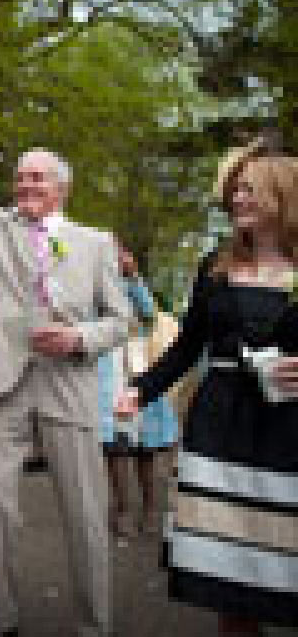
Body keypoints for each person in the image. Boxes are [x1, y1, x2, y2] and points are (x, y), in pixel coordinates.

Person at [0, 68, 132, 637]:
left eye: (37, 179)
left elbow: (124, 320)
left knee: (84, 515)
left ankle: (95, 625)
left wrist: (80, 339)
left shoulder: (97, 244)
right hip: (6, 383)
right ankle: (5, 620)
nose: (25, 186)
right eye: (21, 177)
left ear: (60, 188)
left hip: (69, 383)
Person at [121, 143, 298, 634]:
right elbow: (187, 345)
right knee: (231, 579)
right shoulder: (215, 266)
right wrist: (141, 389)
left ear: (282, 196)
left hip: (288, 433)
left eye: (249, 189)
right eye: (234, 189)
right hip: (220, 428)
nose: (236, 198)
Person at [98, 245, 177, 538]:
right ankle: (122, 511)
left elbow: (148, 317)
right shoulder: (95, 283)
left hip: (138, 370)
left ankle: (149, 510)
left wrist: (133, 277)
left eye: (121, 253)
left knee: (145, 450)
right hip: (109, 372)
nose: (116, 257)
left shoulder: (132, 285)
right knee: (116, 449)